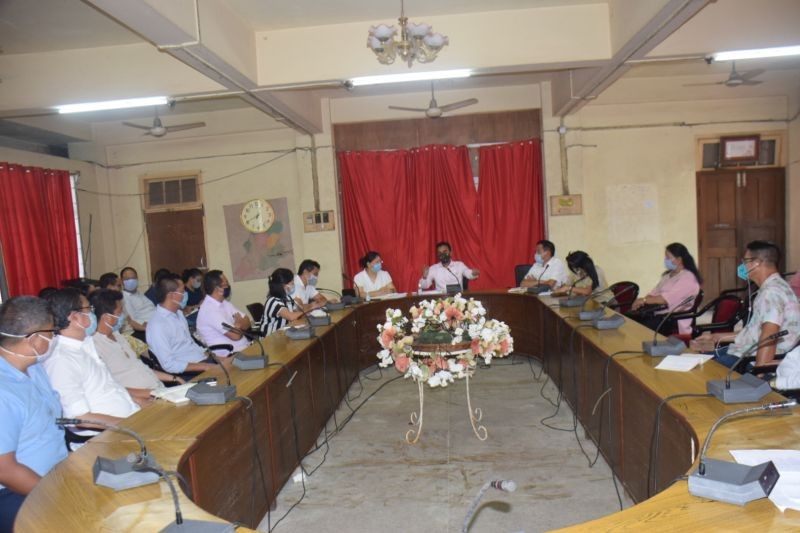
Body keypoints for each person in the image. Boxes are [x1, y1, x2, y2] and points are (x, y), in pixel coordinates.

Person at [0, 297, 67, 532]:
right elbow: (5, 470)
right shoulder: (3, 393)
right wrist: (60, 497)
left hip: (57, 473)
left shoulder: (33, 367)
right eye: (52, 332)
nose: (55, 338)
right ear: (35, 340)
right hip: (18, 492)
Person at [42, 289, 140, 444]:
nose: (93, 314)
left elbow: (109, 389)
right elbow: (79, 418)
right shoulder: (61, 360)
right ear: (75, 317)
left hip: (128, 424)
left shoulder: (86, 344)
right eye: (89, 309)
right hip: (103, 439)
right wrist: (130, 426)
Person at [705, 241, 800, 368]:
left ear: (756, 263)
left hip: (749, 360)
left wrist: (759, 372)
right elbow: (754, 333)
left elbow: (770, 335)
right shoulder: (776, 286)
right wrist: (716, 337)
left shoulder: (771, 293)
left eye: (745, 261)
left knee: (699, 371)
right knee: (700, 359)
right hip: (744, 352)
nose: (742, 266)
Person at [90, 289, 181, 390]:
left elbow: (141, 368)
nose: (124, 316)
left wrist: (174, 378)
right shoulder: (96, 346)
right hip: (144, 399)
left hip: (158, 389)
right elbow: (114, 388)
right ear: (107, 318)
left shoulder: (119, 336)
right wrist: (151, 395)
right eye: (120, 312)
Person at [146, 273, 223, 376]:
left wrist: (209, 355)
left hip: (202, 359)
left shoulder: (178, 314)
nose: (185, 294)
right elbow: (168, 364)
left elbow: (188, 343)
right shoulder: (157, 325)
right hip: (188, 372)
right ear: (171, 295)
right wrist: (205, 366)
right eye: (182, 291)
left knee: (234, 365)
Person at [629, 242, 702, 335]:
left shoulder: (688, 277)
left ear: (679, 260)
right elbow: (653, 293)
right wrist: (642, 303)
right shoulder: (668, 276)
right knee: (629, 320)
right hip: (658, 314)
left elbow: (665, 299)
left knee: (637, 329)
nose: (665, 260)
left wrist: (643, 300)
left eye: (668, 257)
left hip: (672, 320)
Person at [196, 270, 251, 355]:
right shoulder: (209, 310)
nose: (228, 287)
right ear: (217, 288)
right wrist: (239, 324)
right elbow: (235, 336)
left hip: (244, 348)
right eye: (225, 284)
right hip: (230, 354)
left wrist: (238, 325)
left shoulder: (224, 303)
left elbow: (247, 321)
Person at [261, 268, 305, 336]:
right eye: (292, 283)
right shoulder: (273, 301)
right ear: (283, 285)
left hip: (282, 335)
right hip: (270, 340)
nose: (293, 286)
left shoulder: (287, 298)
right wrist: (311, 308)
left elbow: (298, 312)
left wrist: (300, 305)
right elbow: (291, 317)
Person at [120, 267, 156, 342]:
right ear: (122, 281)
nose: (131, 281)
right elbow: (132, 320)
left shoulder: (140, 294)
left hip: (157, 323)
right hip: (145, 330)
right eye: (127, 279)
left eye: (133, 278)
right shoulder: (124, 297)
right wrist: (148, 326)